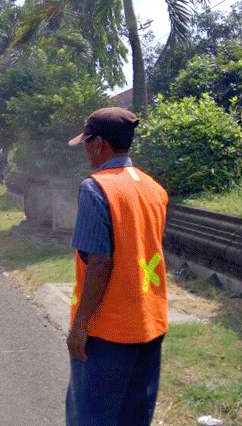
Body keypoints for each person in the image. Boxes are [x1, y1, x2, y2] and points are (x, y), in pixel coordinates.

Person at [66, 107, 169, 425]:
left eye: (86, 142)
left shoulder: (96, 188)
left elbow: (99, 263)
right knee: (135, 417)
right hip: (150, 324)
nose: (85, 150)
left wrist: (81, 325)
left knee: (93, 417)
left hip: (107, 332)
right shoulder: (154, 189)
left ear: (100, 144)